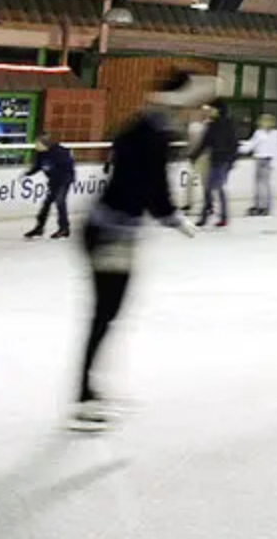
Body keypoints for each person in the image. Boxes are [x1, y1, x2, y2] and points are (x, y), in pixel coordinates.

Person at [71, 71, 208, 430]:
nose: (196, 112)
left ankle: (91, 390)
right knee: (105, 314)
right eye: (193, 105)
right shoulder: (154, 133)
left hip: (110, 230)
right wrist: (174, 219)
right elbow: (150, 186)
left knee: (108, 314)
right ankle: (84, 397)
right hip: (110, 234)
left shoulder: (144, 126)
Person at [191, 100, 238, 227]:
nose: (211, 111)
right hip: (214, 160)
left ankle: (223, 217)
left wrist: (232, 160)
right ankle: (205, 215)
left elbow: (234, 144)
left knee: (219, 188)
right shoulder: (212, 125)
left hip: (224, 161)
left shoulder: (228, 124)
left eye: (213, 109)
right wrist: (195, 155)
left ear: (219, 110)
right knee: (208, 189)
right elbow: (205, 142)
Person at [23, 135, 75, 239]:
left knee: (60, 202)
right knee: (46, 204)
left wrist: (60, 180)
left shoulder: (59, 153)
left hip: (64, 181)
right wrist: (28, 173)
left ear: (44, 144)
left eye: (37, 144)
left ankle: (64, 228)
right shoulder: (40, 154)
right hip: (54, 182)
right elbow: (38, 166)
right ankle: (39, 228)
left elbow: (67, 168)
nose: (35, 146)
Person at [242, 113, 277, 216]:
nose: (264, 123)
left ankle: (265, 206)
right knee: (258, 184)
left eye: (267, 121)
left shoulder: (276, 134)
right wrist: (238, 149)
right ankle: (258, 205)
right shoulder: (258, 133)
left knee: (264, 184)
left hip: (268, 160)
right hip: (259, 160)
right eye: (263, 121)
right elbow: (251, 144)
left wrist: (276, 162)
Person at [181, 110, 207, 212]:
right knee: (192, 181)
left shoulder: (203, 126)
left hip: (202, 157)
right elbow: (191, 142)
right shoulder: (195, 126)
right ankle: (189, 203)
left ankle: (207, 204)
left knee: (203, 182)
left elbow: (198, 143)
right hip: (196, 157)